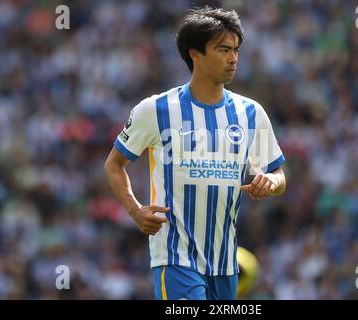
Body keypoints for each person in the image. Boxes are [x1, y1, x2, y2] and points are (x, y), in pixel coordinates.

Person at [104, 6, 286, 300]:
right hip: (176, 259)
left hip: (226, 264)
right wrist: (135, 210)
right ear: (195, 53)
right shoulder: (157, 110)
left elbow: (279, 175)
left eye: (236, 50)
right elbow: (114, 164)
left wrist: (271, 182)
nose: (233, 58)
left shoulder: (251, 113)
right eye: (223, 49)